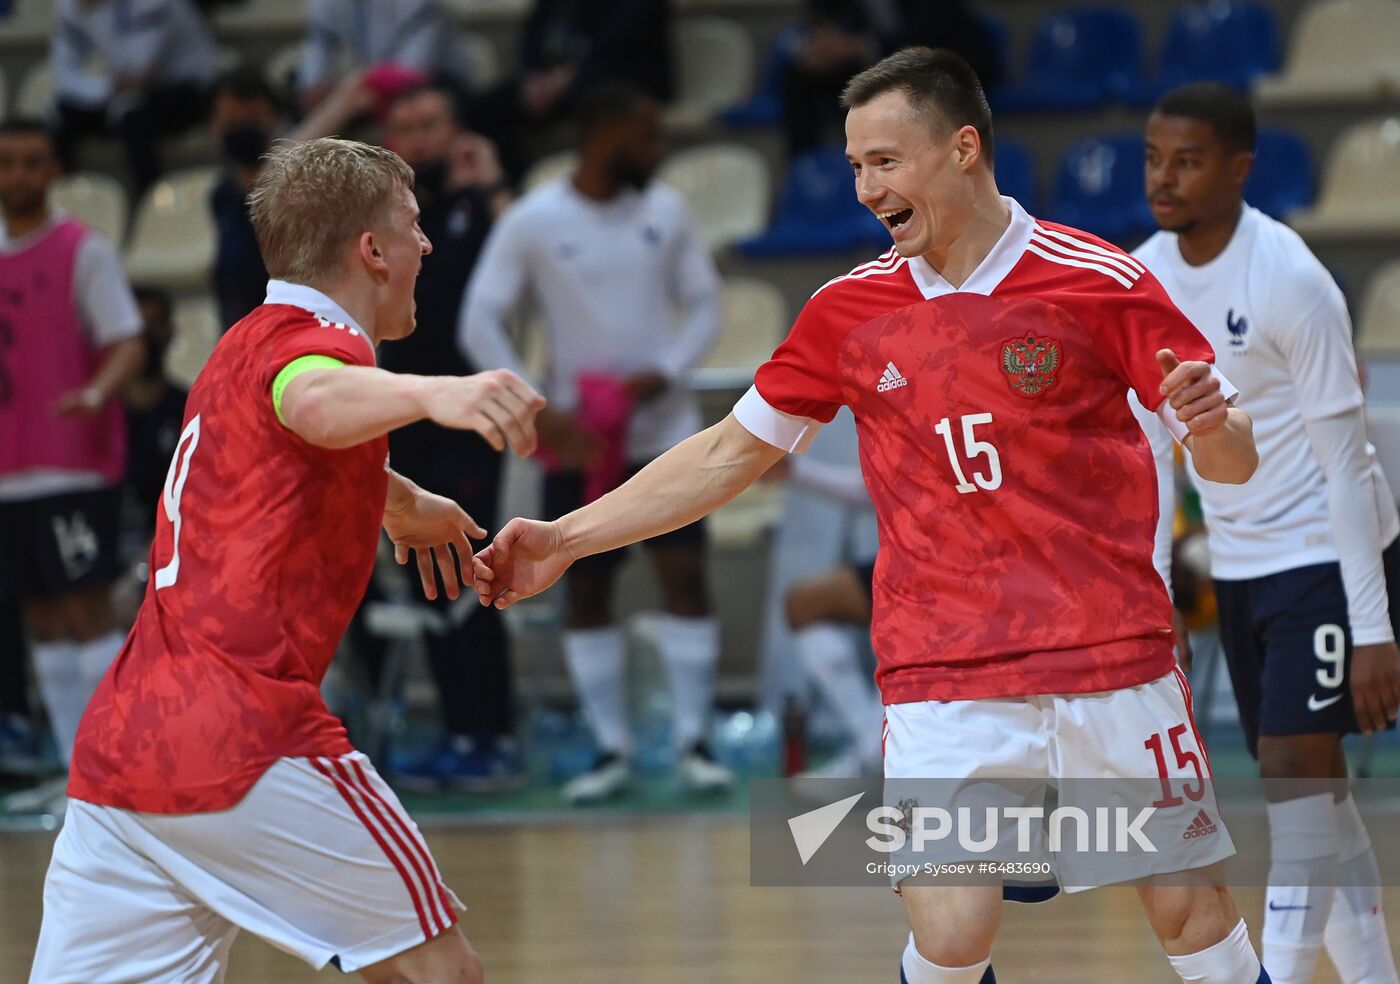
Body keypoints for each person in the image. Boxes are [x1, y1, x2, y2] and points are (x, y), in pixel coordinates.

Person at [473, 48, 1274, 984]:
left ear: (963, 148)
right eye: (855, 166)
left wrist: (1219, 427)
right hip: (943, 668)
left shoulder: (1097, 280)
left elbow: (1231, 455)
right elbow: (731, 452)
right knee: (952, 934)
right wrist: (567, 537)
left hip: (1110, 652)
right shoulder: (849, 311)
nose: (865, 188)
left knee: (1193, 915)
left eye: (885, 161)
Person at [29, 137, 545, 984]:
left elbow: (284, 445)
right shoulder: (319, 350)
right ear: (370, 251)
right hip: (246, 738)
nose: (427, 245)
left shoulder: (237, 344)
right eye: (413, 227)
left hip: (124, 749)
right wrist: (436, 392)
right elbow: (312, 400)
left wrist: (403, 503)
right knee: (440, 974)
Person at [1135, 82, 1400, 984]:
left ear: (1240, 169)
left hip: (1326, 554)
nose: (1164, 178)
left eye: (1189, 159)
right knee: (1318, 794)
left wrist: (1373, 632)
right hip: (1239, 564)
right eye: (1153, 158)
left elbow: (1350, 463)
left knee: (1293, 772)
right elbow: (1150, 463)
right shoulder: (1141, 280)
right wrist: (1159, 590)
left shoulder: (1290, 279)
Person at [462, 83, 730, 804]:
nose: (657, 150)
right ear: (603, 131)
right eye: (645, 135)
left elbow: (706, 305)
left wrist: (665, 374)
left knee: (684, 577)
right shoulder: (534, 219)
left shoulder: (666, 212)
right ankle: (611, 748)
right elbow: (479, 319)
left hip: (663, 430)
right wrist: (535, 408)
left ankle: (694, 742)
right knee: (582, 582)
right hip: (579, 440)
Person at [373, 82, 519, 789]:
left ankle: (492, 735)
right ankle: (458, 731)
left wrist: (491, 188)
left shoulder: (479, 209)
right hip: (405, 416)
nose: (420, 138)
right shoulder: (383, 220)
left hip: (469, 417)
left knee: (475, 574)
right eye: (406, 125)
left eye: (431, 122)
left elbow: (524, 268)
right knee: (422, 575)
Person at [0, 119, 145, 815]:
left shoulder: (83, 252)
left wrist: (94, 392)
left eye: (33, 162)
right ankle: (73, 777)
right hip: (8, 471)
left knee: (87, 611)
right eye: (7, 163)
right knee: (41, 618)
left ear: (54, 169)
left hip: (73, 467)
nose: (20, 176)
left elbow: (126, 341)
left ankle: (111, 777)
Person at [464, 0, 672, 180]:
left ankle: (602, 186)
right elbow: (534, 30)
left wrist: (570, 77)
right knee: (483, 109)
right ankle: (520, 186)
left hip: (621, 76)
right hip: (556, 79)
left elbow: (622, 40)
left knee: (600, 104)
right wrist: (533, 76)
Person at [781, 0, 1002, 156]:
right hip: (870, 64)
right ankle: (807, 172)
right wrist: (816, 50)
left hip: (943, 59)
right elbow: (817, 22)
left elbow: (928, 35)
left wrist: (857, 47)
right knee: (798, 76)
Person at [51, 0, 217, 193]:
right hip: (132, 92)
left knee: (133, 118)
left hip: (188, 90)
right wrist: (106, 90)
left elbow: (140, 68)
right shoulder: (71, 6)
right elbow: (64, 74)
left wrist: (93, 12)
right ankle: (61, 198)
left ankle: (149, 199)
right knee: (64, 116)